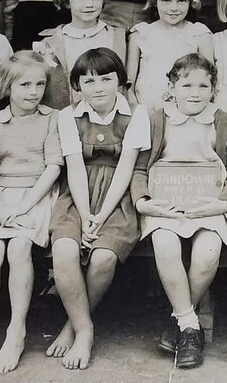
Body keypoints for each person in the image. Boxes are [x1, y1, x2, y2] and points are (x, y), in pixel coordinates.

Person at [127, 54, 227, 369]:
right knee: (165, 244)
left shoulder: (222, 120)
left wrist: (224, 200)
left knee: (209, 251)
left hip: (207, 200)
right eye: (186, 84)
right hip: (164, 200)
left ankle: (179, 322)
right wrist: (143, 201)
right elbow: (139, 170)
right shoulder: (156, 118)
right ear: (172, 86)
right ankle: (192, 329)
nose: (194, 92)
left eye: (202, 85)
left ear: (213, 89)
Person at [46, 48, 144, 370]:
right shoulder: (68, 116)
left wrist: (101, 217)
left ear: (120, 81)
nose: (98, 87)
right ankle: (85, 329)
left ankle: (72, 326)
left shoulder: (136, 114)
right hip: (78, 194)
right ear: (77, 86)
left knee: (103, 258)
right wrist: (87, 214)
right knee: (63, 250)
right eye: (88, 81)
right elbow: (74, 168)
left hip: (118, 196)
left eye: (106, 78)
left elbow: (126, 168)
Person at [0, 51, 62, 375]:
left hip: (35, 194)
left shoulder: (52, 119)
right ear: (7, 86)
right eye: (24, 85)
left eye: (39, 84)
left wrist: (24, 206)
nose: (33, 92)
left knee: (19, 247)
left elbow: (53, 167)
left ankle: (16, 330)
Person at [33, 0, 127, 110]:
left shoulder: (117, 36)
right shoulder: (49, 42)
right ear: (67, 2)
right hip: (64, 115)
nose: (89, 4)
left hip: (108, 118)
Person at [126, 0, 213, 109]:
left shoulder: (199, 34)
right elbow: (129, 82)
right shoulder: (141, 34)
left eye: (181, 1)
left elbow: (209, 78)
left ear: (191, 2)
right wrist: (135, 108)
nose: (174, 8)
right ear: (155, 1)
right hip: (147, 108)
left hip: (187, 110)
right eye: (166, 1)